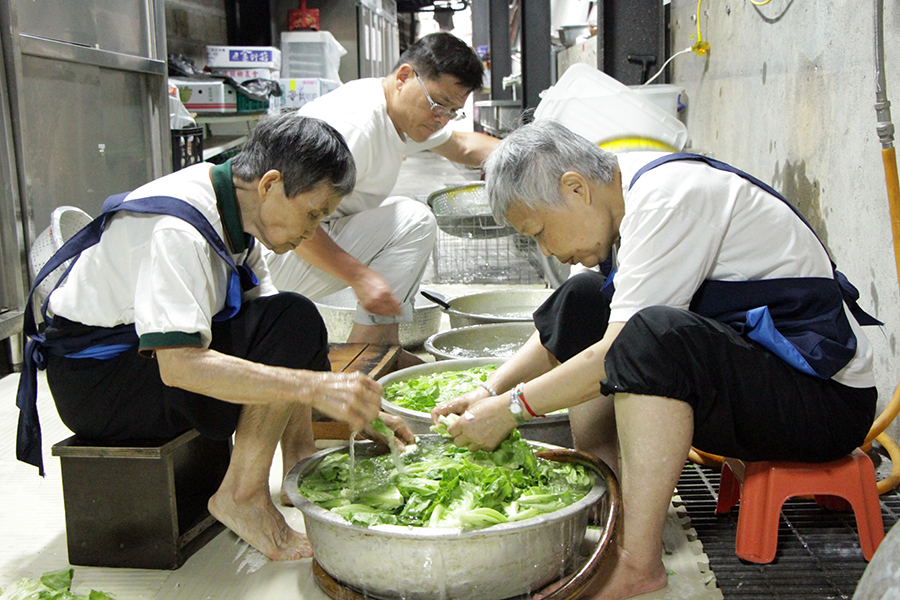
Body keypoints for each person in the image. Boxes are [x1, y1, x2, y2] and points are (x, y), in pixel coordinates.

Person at [432, 120, 878, 600]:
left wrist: (512, 410)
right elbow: (589, 328)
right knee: (585, 296)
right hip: (764, 385)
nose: (547, 249)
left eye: (540, 231)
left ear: (576, 188)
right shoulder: (630, 199)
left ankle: (637, 564)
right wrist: (488, 391)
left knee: (649, 337)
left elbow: (615, 353)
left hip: (824, 406)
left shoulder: (669, 198)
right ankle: (612, 497)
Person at [16, 112, 413, 561]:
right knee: (292, 325)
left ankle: (298, 463)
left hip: (130, 365)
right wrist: (318, 387)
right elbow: (179, 364)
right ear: (270, 184)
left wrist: (368, 412)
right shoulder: (178, 228)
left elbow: (275, 327)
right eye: (313, 213)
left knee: (293, 318)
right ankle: (242, 497)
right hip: (100, 387)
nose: (312, 231)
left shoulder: (233, 207)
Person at [263, 32, 500, 367]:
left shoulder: (399, 112)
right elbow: (285, 218)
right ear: (404, 76)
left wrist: (532, 156)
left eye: (452, 111)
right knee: (412, 221)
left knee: (406, 220)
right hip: (279, 251)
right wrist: (360, 277)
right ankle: (365, 358)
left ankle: (383, 347)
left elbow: (462, 145)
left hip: (309, 235)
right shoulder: (354, 128)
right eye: (438, 105)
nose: (441, 119)